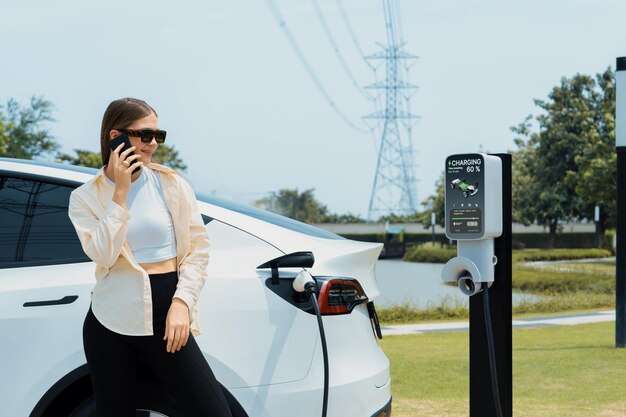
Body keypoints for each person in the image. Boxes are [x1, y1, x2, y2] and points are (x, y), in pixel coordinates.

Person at [68, 97, 242, 417]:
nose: (153, 144)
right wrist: (120, 193)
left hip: (167, 313)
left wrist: (182, 303)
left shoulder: (171, 184)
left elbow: (197, 249)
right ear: (115, 137)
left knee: (214, 412)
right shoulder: (85, 198)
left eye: (158, 136)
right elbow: (104, 255)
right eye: (144, 135)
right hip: (109, 321)